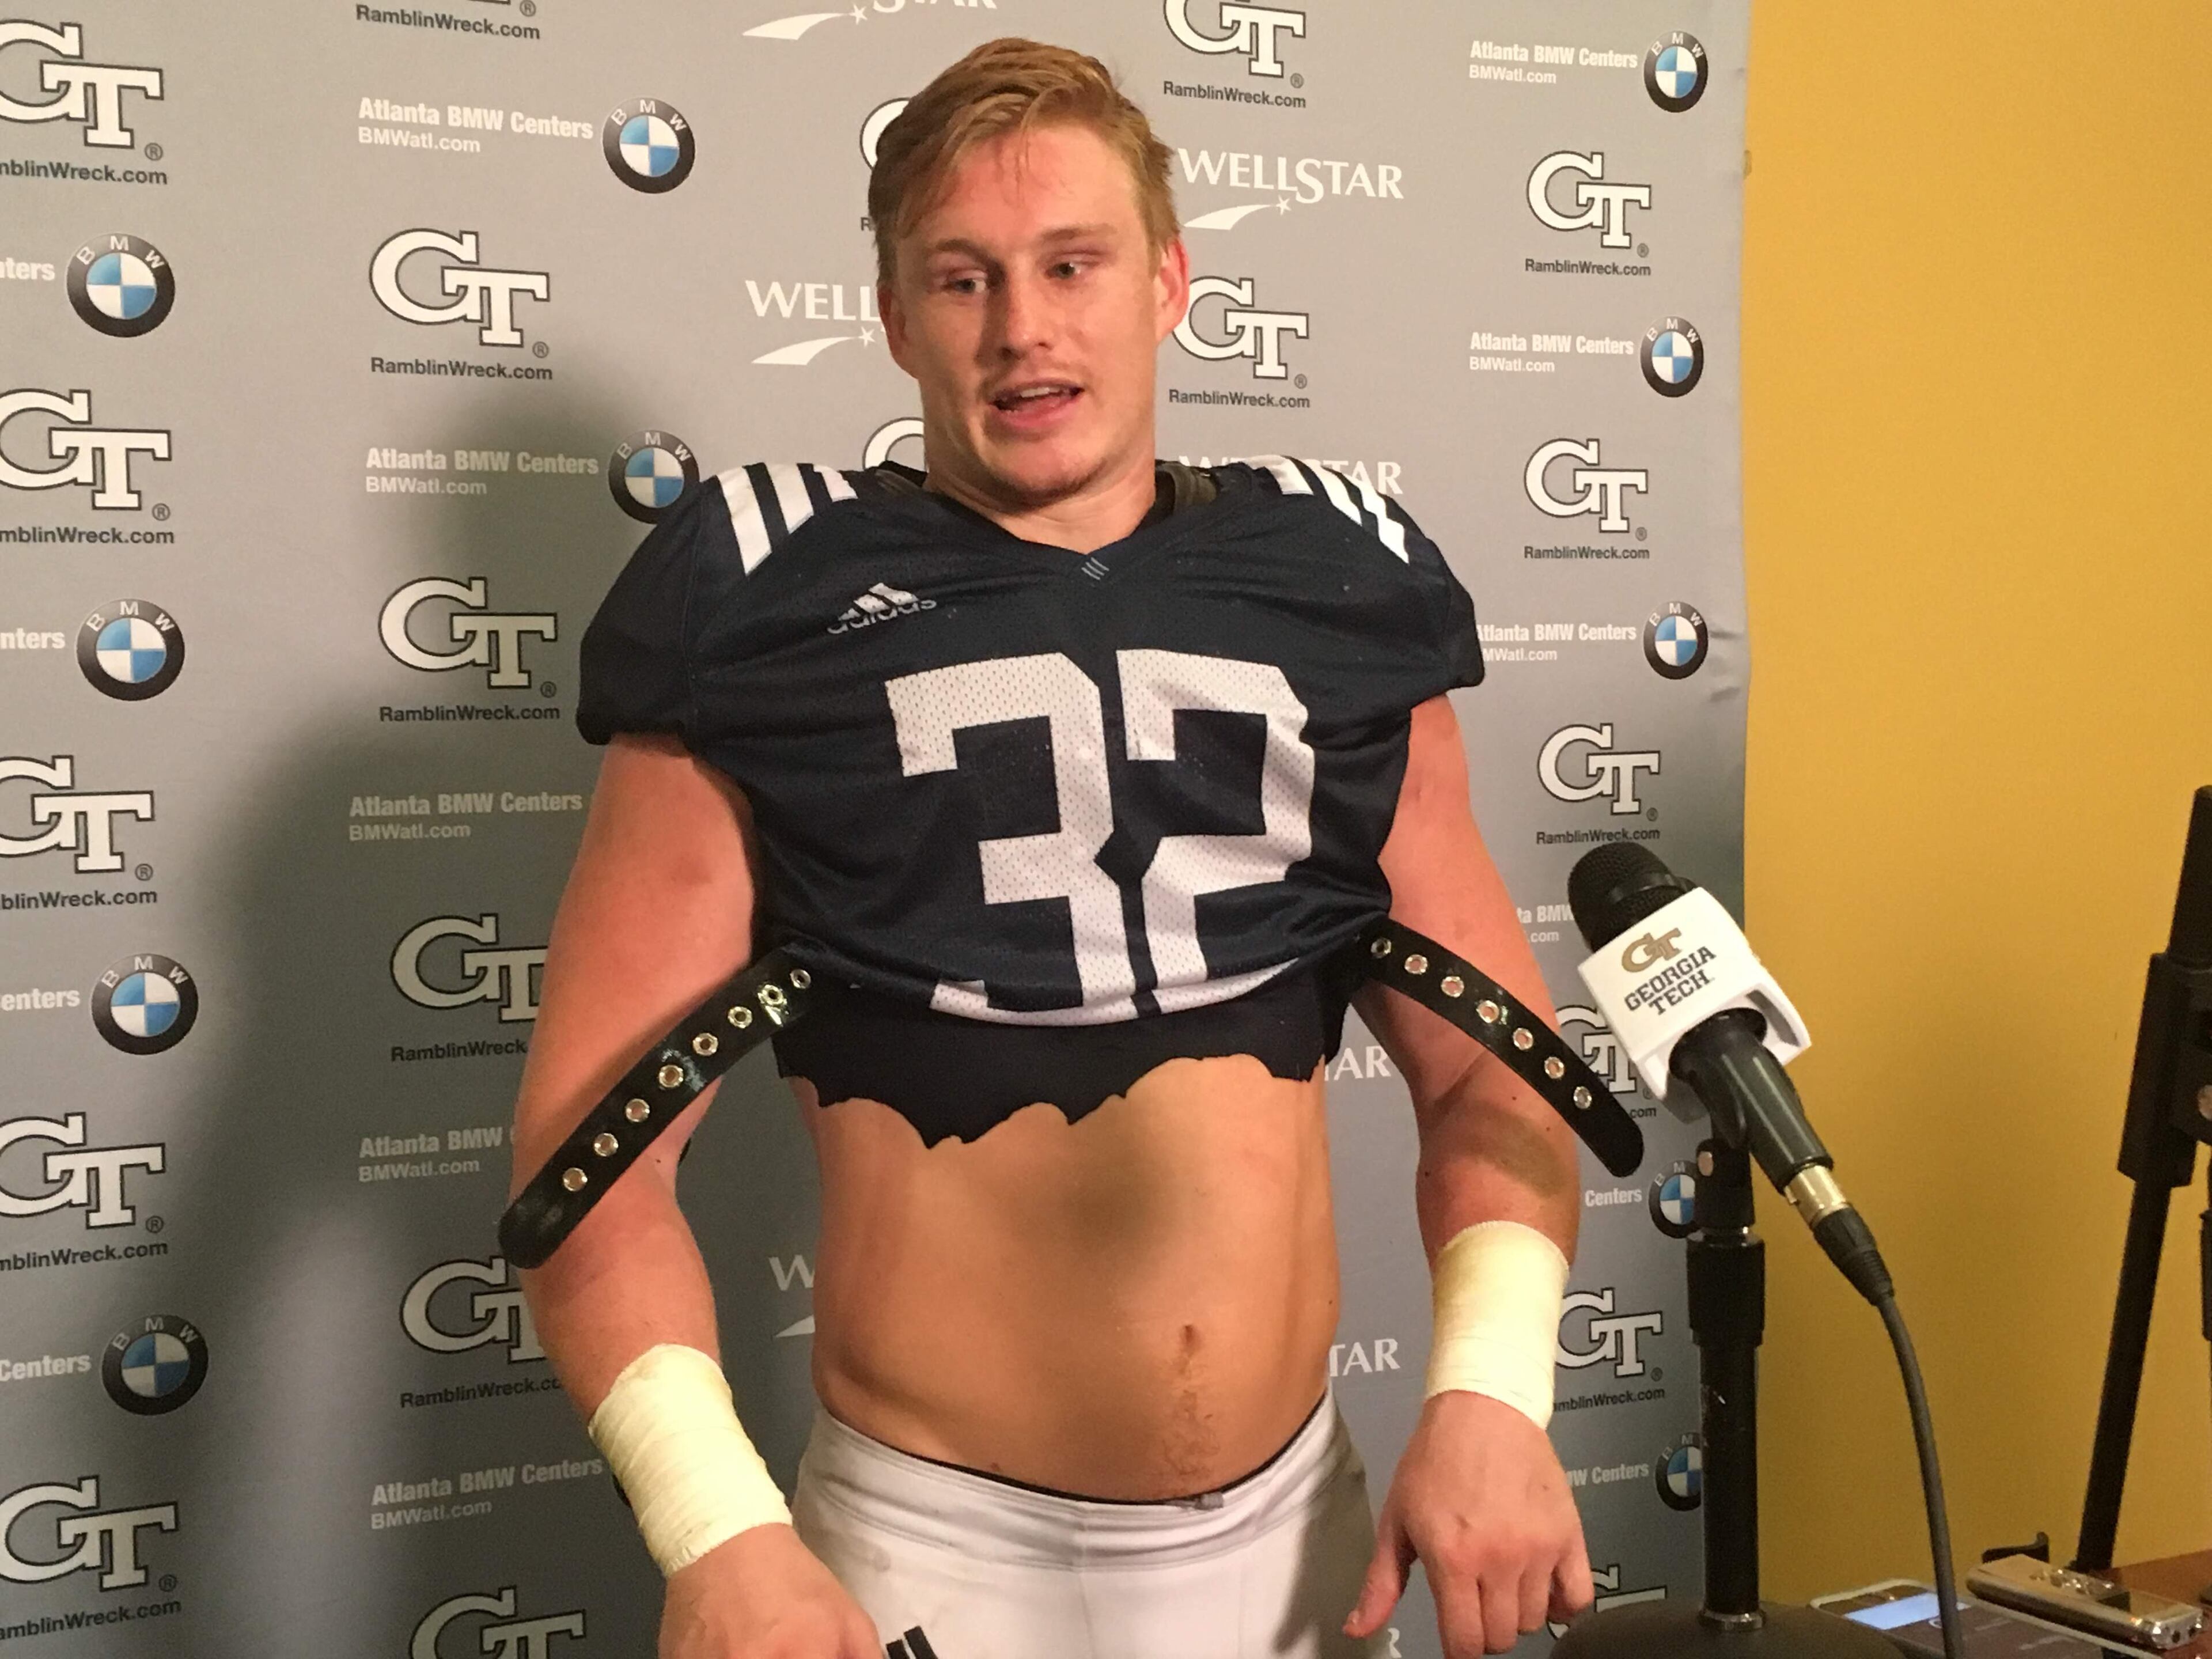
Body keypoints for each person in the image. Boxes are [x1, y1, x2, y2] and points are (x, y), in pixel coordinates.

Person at [509, 36, 1594, 1659]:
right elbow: (590, 1163)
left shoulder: (1331, 577)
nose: (1023, 330)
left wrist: (1499, 1392)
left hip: (1305, 1529)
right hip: (939, 1552)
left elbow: (1493, 1067)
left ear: (1165, 282)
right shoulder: (763, 599)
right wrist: (713, 1528)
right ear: (892, 318)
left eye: (1071, 265)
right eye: (963, 279)